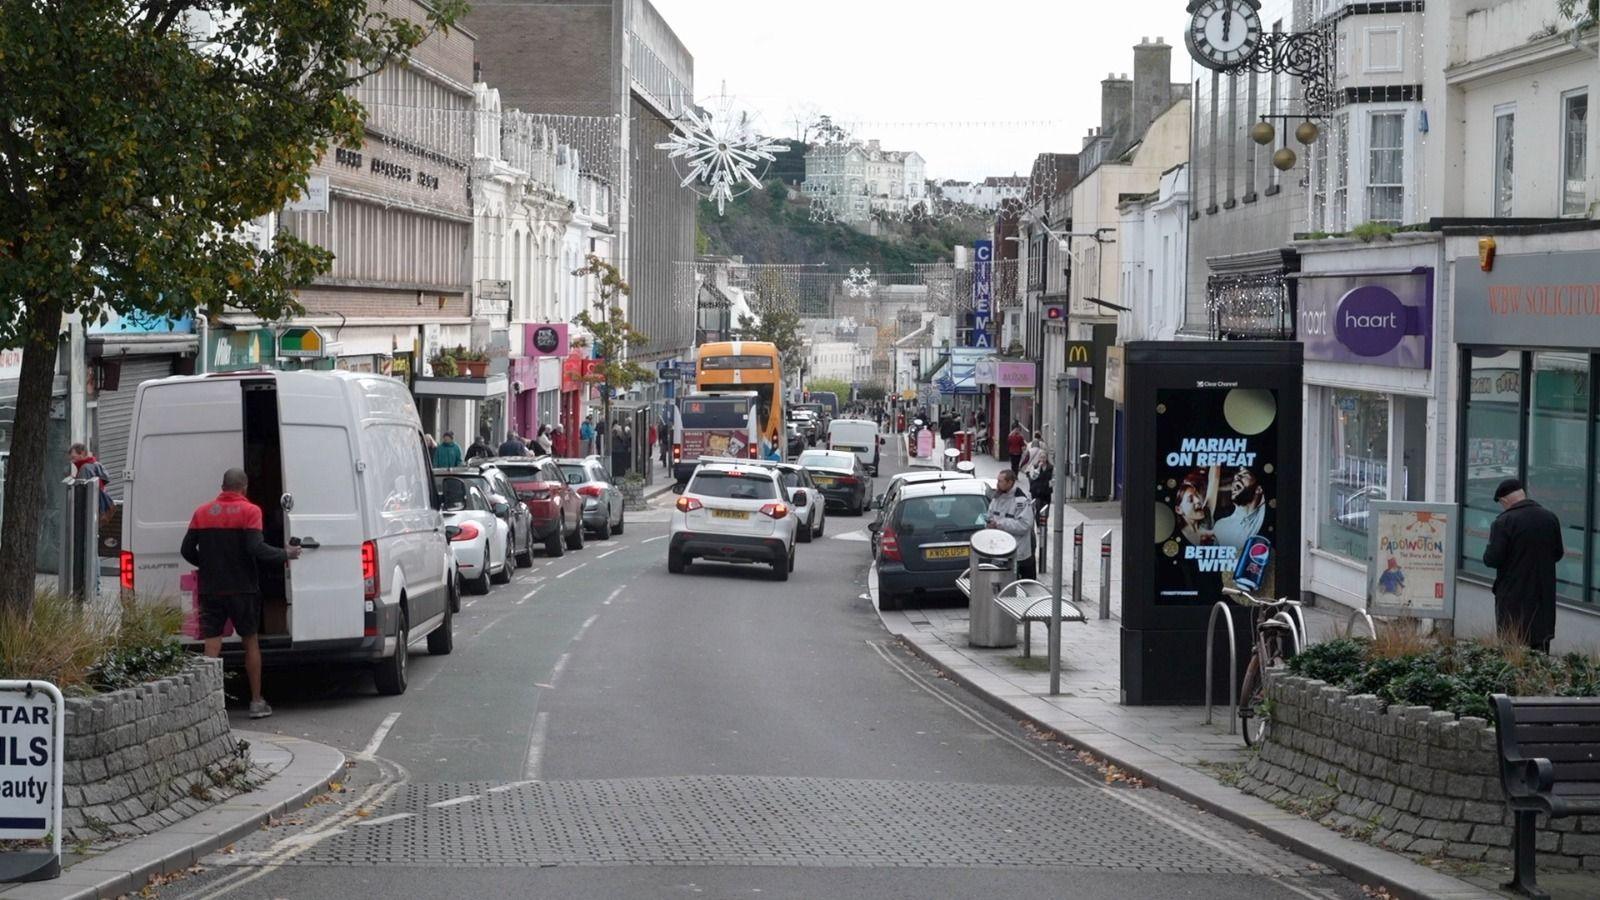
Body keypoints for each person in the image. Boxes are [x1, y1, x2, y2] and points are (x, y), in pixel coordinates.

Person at [180, 468, 300, 719]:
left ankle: (208, 706)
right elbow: (256, 548)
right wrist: (285, 554)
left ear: (222, 486)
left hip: (211, 588)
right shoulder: (250, 511)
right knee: (250, 641)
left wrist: (208, 564)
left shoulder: (202, 512)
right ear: (244, 487)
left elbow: (187, 549)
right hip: (243, 589)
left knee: (212, 644)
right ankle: (256, 702)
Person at [1484, 478, 1566, 652]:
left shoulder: (1503, 522)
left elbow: (1492, 559)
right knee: (1540, 652)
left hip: (1513, 599)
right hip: (1542, 599)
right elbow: (1558, 553)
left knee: (1512, 650)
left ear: (1504, 500)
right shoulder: (1550, 518)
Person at [986, 469, 1037, 581]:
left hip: (1017, 554)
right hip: (999, 552)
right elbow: (990, 515)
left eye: (1000, 481)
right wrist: (989, 524)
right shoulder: (997, 498)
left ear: (1010, 482)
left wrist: (999, 524)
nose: (997, 484)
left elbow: (1024, 525)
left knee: (1020, 589)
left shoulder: (1021, 501)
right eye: (997, 481)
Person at [1211, 466, 1268, 552]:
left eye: (1245, 474)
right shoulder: (1220, 527)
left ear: (1259, 489)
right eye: (1237, 474)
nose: (1236, 477)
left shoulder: (1263, 515)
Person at [69, 442, 116, 523]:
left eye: (73, 457)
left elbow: (81, 493)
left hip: (89, 512)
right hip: (98, 509)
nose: (72, 462)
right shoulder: (96, 464)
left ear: (82, 453)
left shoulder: (85, 468)